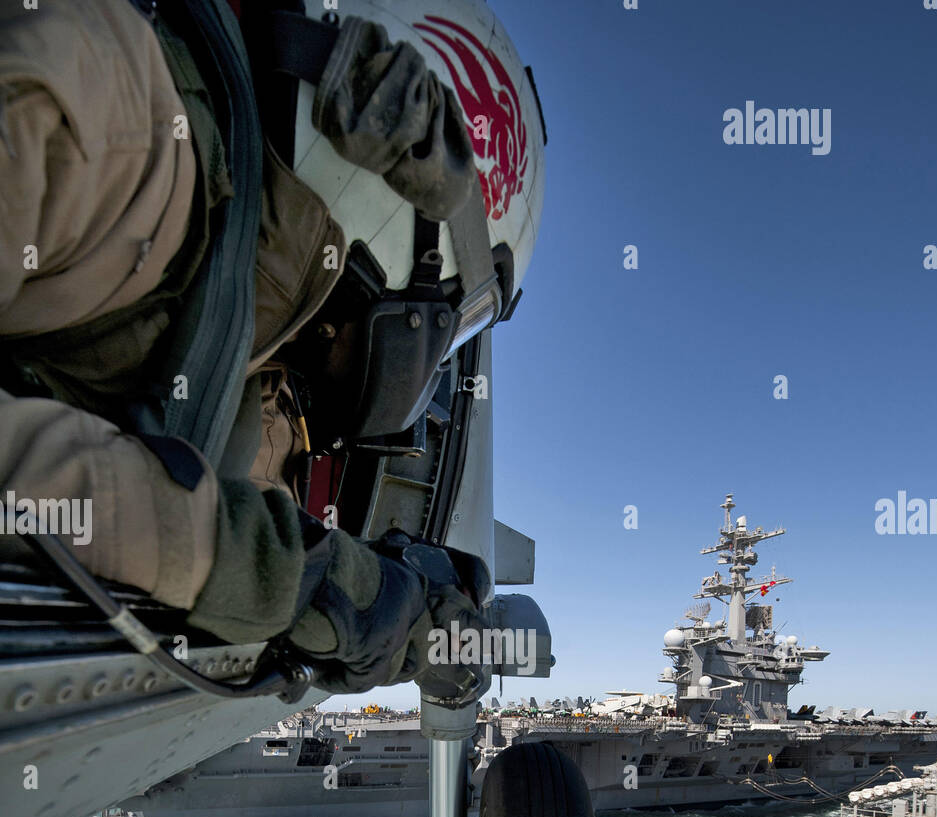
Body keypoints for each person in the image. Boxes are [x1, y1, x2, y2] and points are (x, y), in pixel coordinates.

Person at [0, 0, 545, 695]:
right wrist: (264, 574)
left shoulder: (225, 326)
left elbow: (255, 532)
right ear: (401, 208)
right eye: (441, 328)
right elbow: (230, 551)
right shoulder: (105, 113)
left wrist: (368, 593)